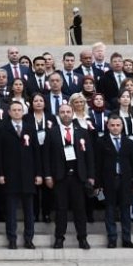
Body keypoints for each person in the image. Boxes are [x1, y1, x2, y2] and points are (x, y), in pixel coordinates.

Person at [44, 104, 93, 250]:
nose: (65, 114)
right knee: (61, 209)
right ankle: (59, 238)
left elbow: (89, 156)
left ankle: (82, 238)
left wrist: (91, 176)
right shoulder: (52, 132)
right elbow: (46, 156)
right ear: (58, 114)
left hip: (78, 177)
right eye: (62, 112)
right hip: (60, 177)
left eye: (68, 112)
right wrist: (48, 175)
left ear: (73, 113)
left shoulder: (82, 132)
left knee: (80, 210)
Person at [0, 101, 42, 249]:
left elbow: (36, 152)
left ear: (23, 112)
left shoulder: (30, 128)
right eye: (14, 110)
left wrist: (38, 173)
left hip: (28, 175)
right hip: (10, 176)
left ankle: (29, 239)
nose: (17, 112)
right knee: (11, 211)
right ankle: (12, 239)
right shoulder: (3, 128)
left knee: (29, 210)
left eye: (19, 110)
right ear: (9, 112)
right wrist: (0, 173)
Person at [96, 115, 133, 248]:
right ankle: (112, 238)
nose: (115, 128)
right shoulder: (101, 141)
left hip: (125, 180)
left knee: (125, 211)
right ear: (108, 126)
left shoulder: (129, 142)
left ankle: (126, 239)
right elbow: (98, 164)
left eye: (118, 125)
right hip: (108, 181)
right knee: (110, 210)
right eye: (112, 125)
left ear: (122, 126)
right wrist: (98, 184)